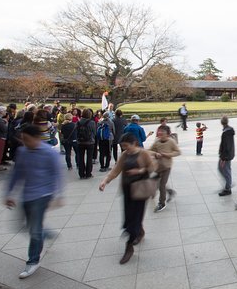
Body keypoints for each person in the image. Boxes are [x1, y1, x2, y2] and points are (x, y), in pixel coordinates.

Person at [5, 124, 64, 278]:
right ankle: (44, 233)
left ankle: (33, 261)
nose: (24, 142)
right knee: (19, 225)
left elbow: (58, 174)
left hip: (43, 195)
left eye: (27, 139)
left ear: (37, 138)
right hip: (27, 194)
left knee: (34, 230)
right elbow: (16, 174)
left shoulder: (49, 153)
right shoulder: (22, 151)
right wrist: (9, 193)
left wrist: (59, 195)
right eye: (22, 139)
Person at [99, 133, 156, 265]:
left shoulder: (143, 154)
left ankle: (129, 246)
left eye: (126, 146)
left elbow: (152, 167)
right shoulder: (124, 155)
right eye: (123, 147)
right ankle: (139, 231)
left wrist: (140, 171)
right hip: (127, 189)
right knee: (129, 216)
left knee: (135, 217)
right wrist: (105, 181)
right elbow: (116, 170)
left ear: (134, 143)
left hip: (141, 189)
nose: (125, 149)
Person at [150, 125, 181, 212]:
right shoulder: (157, 142)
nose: (160, 134)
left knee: (161, 184)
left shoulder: (171, 142)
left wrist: (168, 154)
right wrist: (155, 154)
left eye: (162, 132)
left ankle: (161, 203)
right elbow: (149, 150)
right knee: (156, 181)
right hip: (158, 166)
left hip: (167, 167)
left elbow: (178, 152)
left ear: (167, 134)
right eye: (159, 132)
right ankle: (170, 192)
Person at [76, 109, 97, 179]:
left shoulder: (78, 122)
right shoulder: (92, 122)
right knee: (89, 158)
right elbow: (94, 132)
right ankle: (88, 173)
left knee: (81, 158)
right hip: (90, 142)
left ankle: (81, 173)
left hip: (80, 142)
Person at [218, 116, 235, 196]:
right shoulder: (228, 131)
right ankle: (228, 184)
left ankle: (228, 187)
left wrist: (223, 158)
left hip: (226, 156)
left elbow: (226, 146)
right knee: (225, 169)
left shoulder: (226, 133)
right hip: (228, 155)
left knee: (224, 170)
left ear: (222, 123)